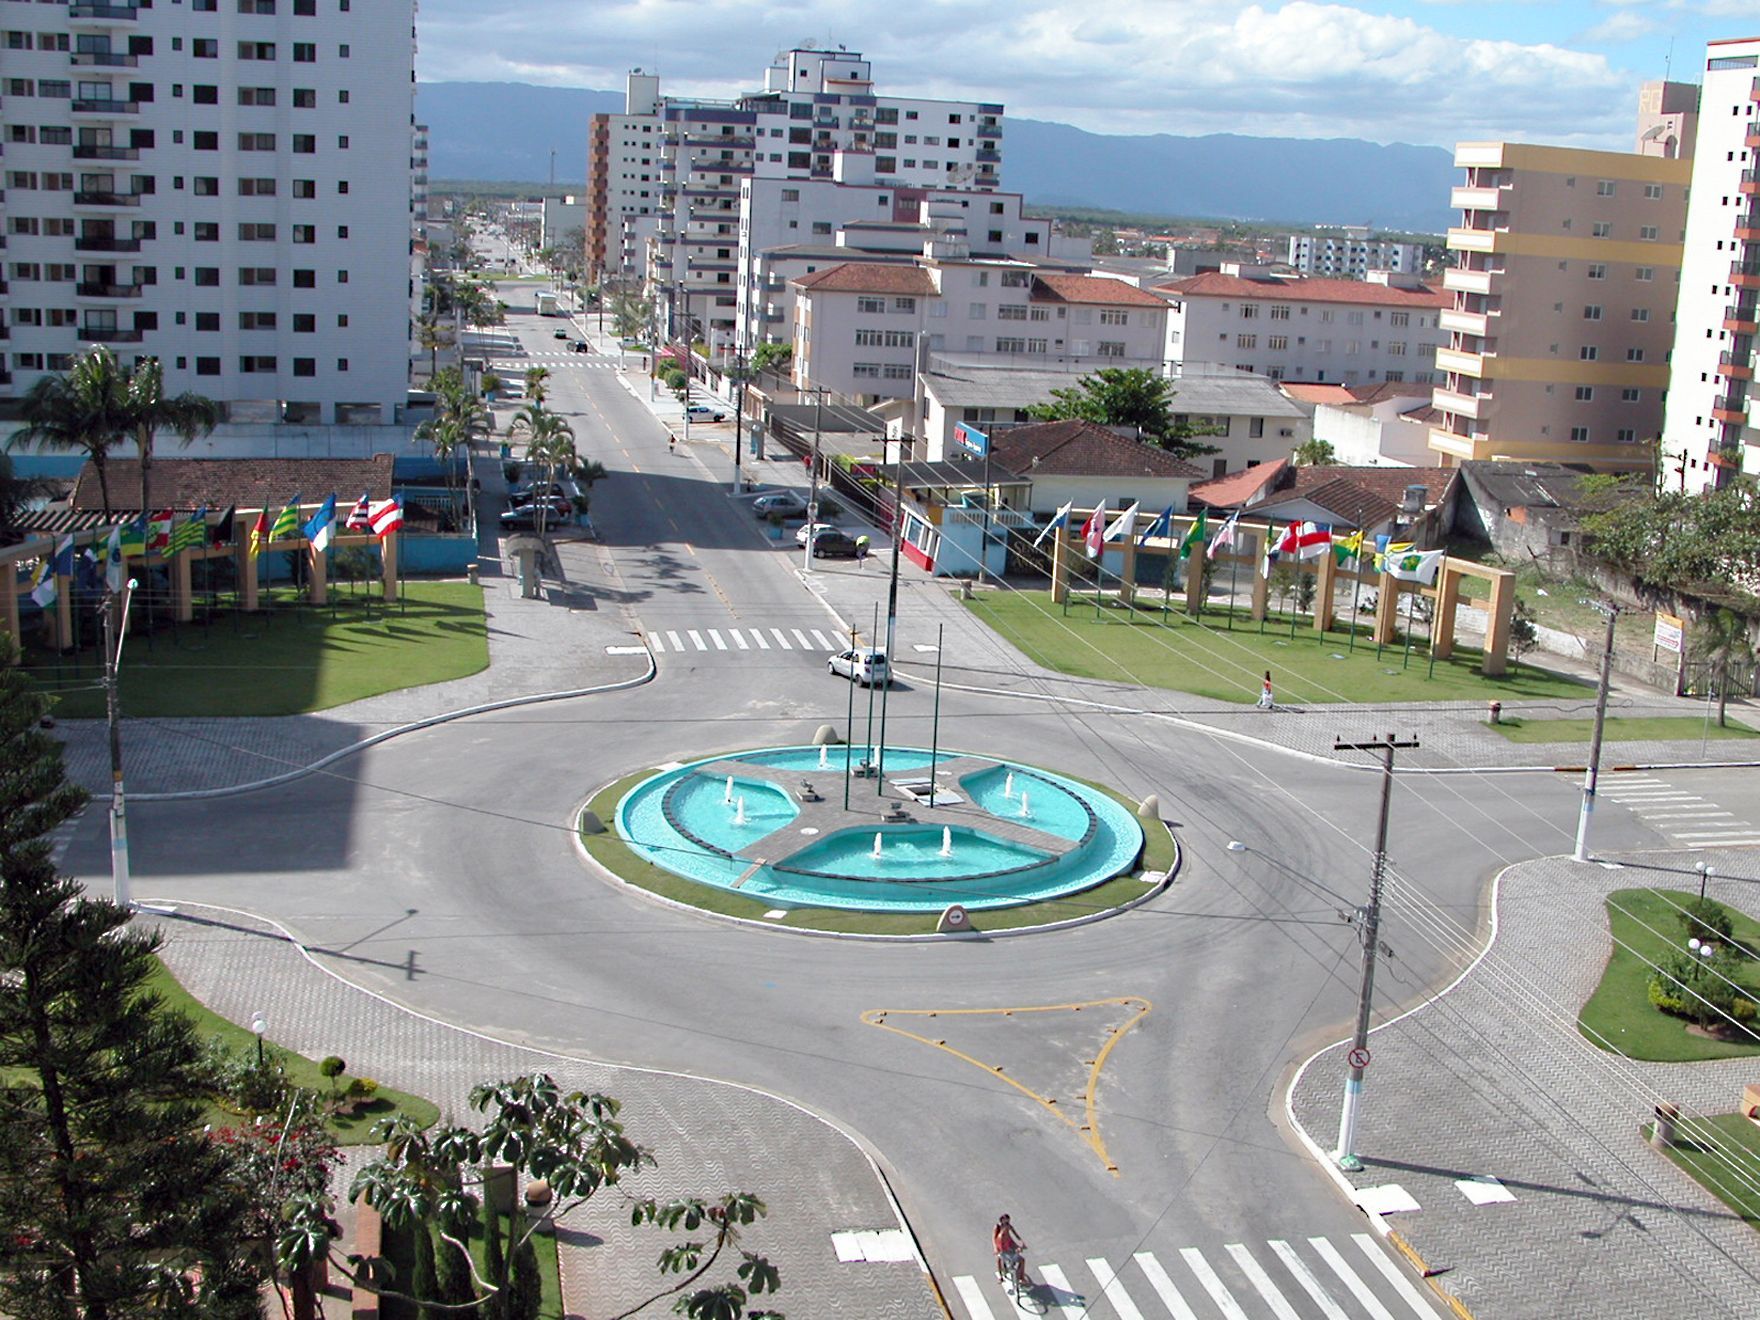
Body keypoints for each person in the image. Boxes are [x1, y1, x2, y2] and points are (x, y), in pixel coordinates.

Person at [993, 1214, 1025, 1285]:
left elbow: (1016, 1235)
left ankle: (1021, 1277)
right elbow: (994, 1238)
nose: (1007, 1222)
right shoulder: (997, 1227)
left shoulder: (1009, 1226)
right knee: (999, 1259)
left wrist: (1021, 1242)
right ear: (1002, 1220)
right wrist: (995, 1248)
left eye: (1008, 1221)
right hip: (1000, 1245)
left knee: (1021, 1260)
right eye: (1006, 1221)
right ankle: (1000, 1277)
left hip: (1009, 1244)